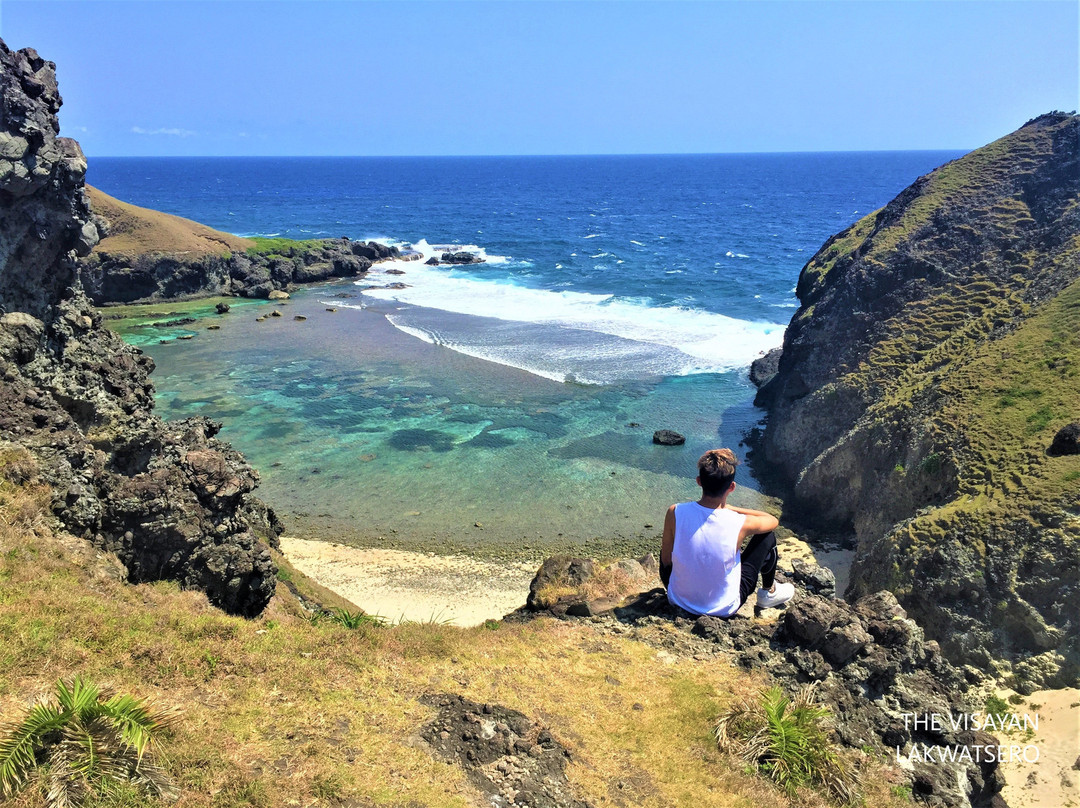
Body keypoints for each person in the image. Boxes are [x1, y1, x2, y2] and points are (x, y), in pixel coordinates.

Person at [659, 448, 794, 617]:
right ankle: (769, 592)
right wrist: (730, 508)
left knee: (670, 546)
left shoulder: (675, 511)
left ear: (699, 481)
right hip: (724, 608)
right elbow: (772, 520)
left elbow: (666, 560)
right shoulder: (739, 521)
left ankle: (685, 589)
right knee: (767, 536)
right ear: (732, 487)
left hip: (678, 600)